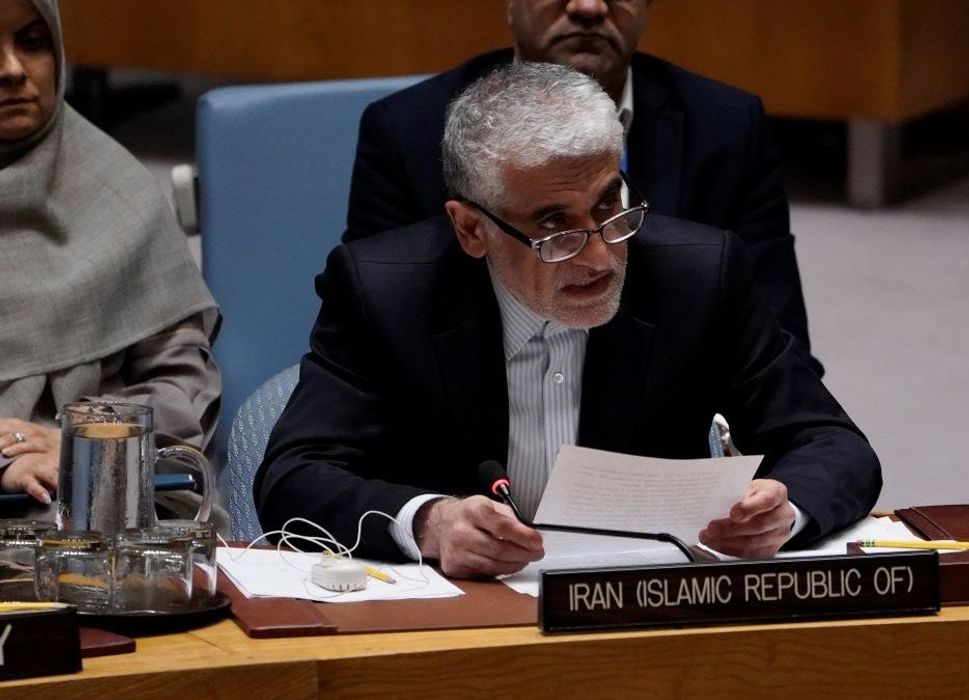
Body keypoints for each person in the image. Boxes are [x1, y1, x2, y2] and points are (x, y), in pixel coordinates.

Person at [258, 62, 880, 579]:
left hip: (641, 603)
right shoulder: (386, 291)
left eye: (609, 204)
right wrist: (429, 521)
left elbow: (833, 444)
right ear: (472, 229)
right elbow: (294, 475)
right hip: (455, 616)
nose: (601, 255)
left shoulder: (698, 277)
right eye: (554, 227)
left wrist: (785, 508)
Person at [344, 0, 817, 362]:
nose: (589, 7)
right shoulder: (409, 131)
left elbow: (780, 341)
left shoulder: (727, 126)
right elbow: (372, 329)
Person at [0, 0, 222, 518]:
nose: (11, 70)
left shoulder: (119, 194)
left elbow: (182, 385)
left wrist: (83, 444)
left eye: (31, 43)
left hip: (104, 505)